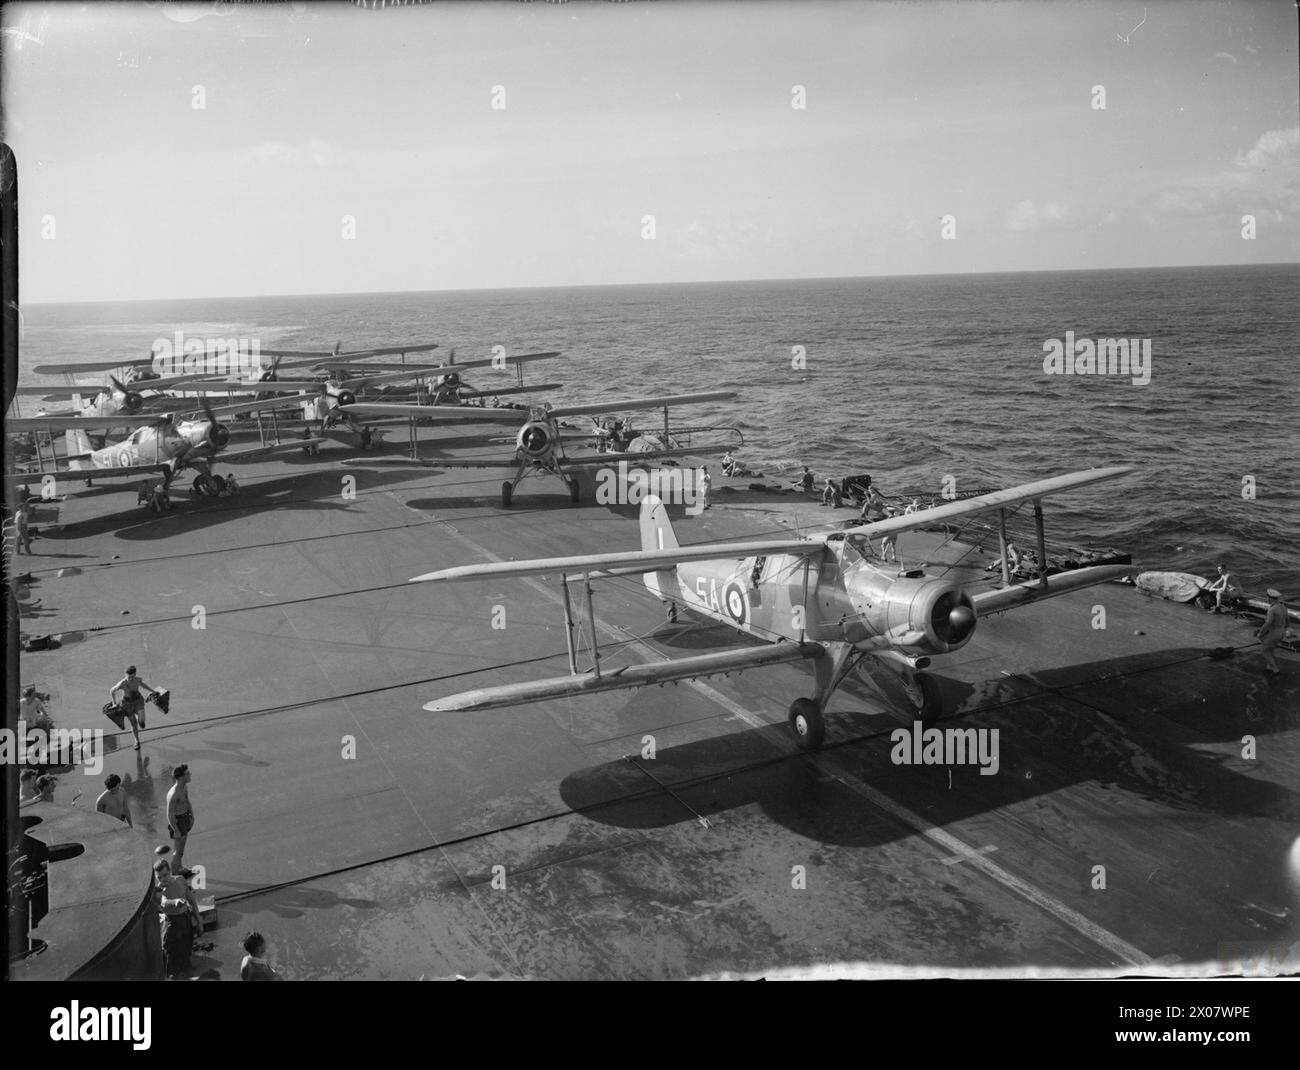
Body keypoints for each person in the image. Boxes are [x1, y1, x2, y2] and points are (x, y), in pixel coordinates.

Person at [156, 860, 200, 979]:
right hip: (173, 924)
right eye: (159, 877)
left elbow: (191, 898)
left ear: (170, 872)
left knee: (187, 947)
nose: (163, 880)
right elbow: (164, 902)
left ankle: (186, 969)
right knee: (172, 953)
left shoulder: (180, 879)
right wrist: (175, 902)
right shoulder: (159, 890)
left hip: (186, 919)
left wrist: (199, 919)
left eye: (165, 875)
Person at [110, 665, 160, 751]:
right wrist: (114, 703)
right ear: (125, 675)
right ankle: (136, 741)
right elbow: (112, 690)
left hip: (138, 700)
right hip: (126, 704)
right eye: (128, 677)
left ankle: (140, 721)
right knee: (134, 724)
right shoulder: (122, 683)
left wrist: (152, 691)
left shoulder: (138, 679)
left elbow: (143, 685)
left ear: (135, 674)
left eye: (132, 677)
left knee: (141, 720)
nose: (130, 679)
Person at [166, 764, 195, 869]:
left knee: (180, 850)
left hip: (185, 817)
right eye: (187, 773)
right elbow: (169, 814)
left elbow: (187, 801)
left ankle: (180, 868)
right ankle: (175, 872)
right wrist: (176, 830)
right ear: (181, 778)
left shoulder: (184, 786)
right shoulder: (174, 794)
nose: (190, 774)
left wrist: (192, 815)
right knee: (178, 851)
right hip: (178, 822)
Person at [1257, 588, 1289, 676]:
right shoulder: (1283, 606)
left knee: (1264, 651)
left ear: (1270, 598)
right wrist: (1283, 630)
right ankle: (1269, 667)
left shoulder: (1272, 609)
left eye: (1267, 597)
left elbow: (1268, 623)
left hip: (1274, 633)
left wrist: (1260, 632)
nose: (1266, 599)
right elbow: (1288, 620)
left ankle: (1275, 670)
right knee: (1270, 649)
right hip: (1281, 632)